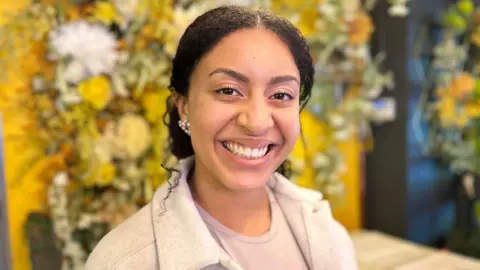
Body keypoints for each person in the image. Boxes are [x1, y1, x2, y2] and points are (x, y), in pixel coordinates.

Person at [86, 5, 357, 270]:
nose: (257, 122)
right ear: (184, 105)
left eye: (281, 95)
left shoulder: (327, 234)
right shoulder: (124, 260)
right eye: (228, 90)